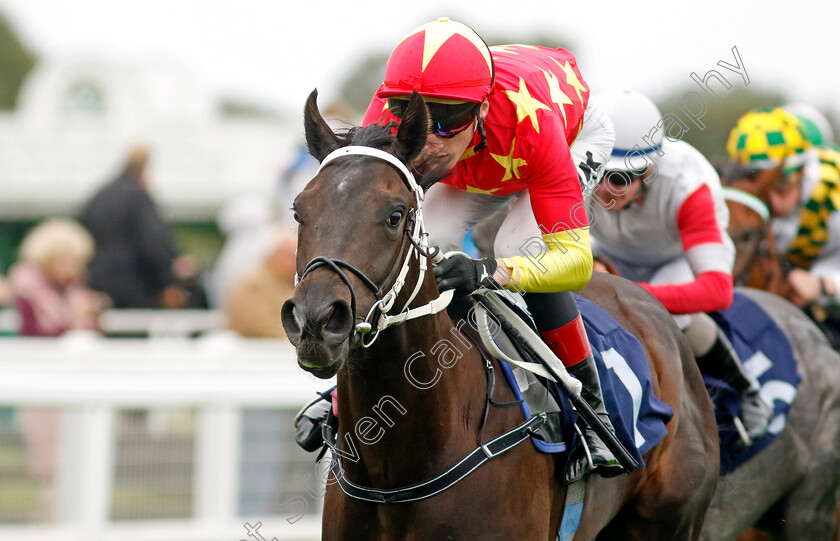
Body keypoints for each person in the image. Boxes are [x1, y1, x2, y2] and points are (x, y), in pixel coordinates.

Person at [356, 18, 618, 481]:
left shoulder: (532, 123)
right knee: (427, 242)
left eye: (448, 117)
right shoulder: (382, 116)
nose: (430, 137)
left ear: (479, 108)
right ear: (391, 103)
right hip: (484, 155)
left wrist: (492, 272)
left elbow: (576, 264)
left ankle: (592, 411)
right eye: (410, 112)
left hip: (562, 137)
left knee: (517, 247)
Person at [587, 90, 772, 443]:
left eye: (626, 175)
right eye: (601, 173)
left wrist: (623, 292)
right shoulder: (577, 159)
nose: (609, 188)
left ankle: (747, 391)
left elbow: (717, 291)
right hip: (606, 249)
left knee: (666, 318)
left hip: (676, 258)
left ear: (650, 168)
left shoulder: (688, 184)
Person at [727, 108, 840, 311]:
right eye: (760, 186)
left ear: (803, 169)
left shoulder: (834, 198)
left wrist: (824, 286)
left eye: (780, 184)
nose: (772, 202)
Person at [80, 144, 190, 309]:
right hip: (137, 286)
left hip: (98, 283)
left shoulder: (100, 196)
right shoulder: (137, 196)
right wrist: (168, 280)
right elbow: (153, 243)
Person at [9, 218, 105, 336]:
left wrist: (92, 315)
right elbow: (33, 334)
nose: (74, 269)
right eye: (68, 262)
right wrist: (74, 321)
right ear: (49, 259)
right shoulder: (26, 289)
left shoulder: (73, 287)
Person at [225, 227, 297, 338]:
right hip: (254, 352)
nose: (293, 263)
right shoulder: (253, 283)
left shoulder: (285, 282)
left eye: (295, 257)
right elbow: (259, 328)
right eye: (288, 256)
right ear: (272, 254)